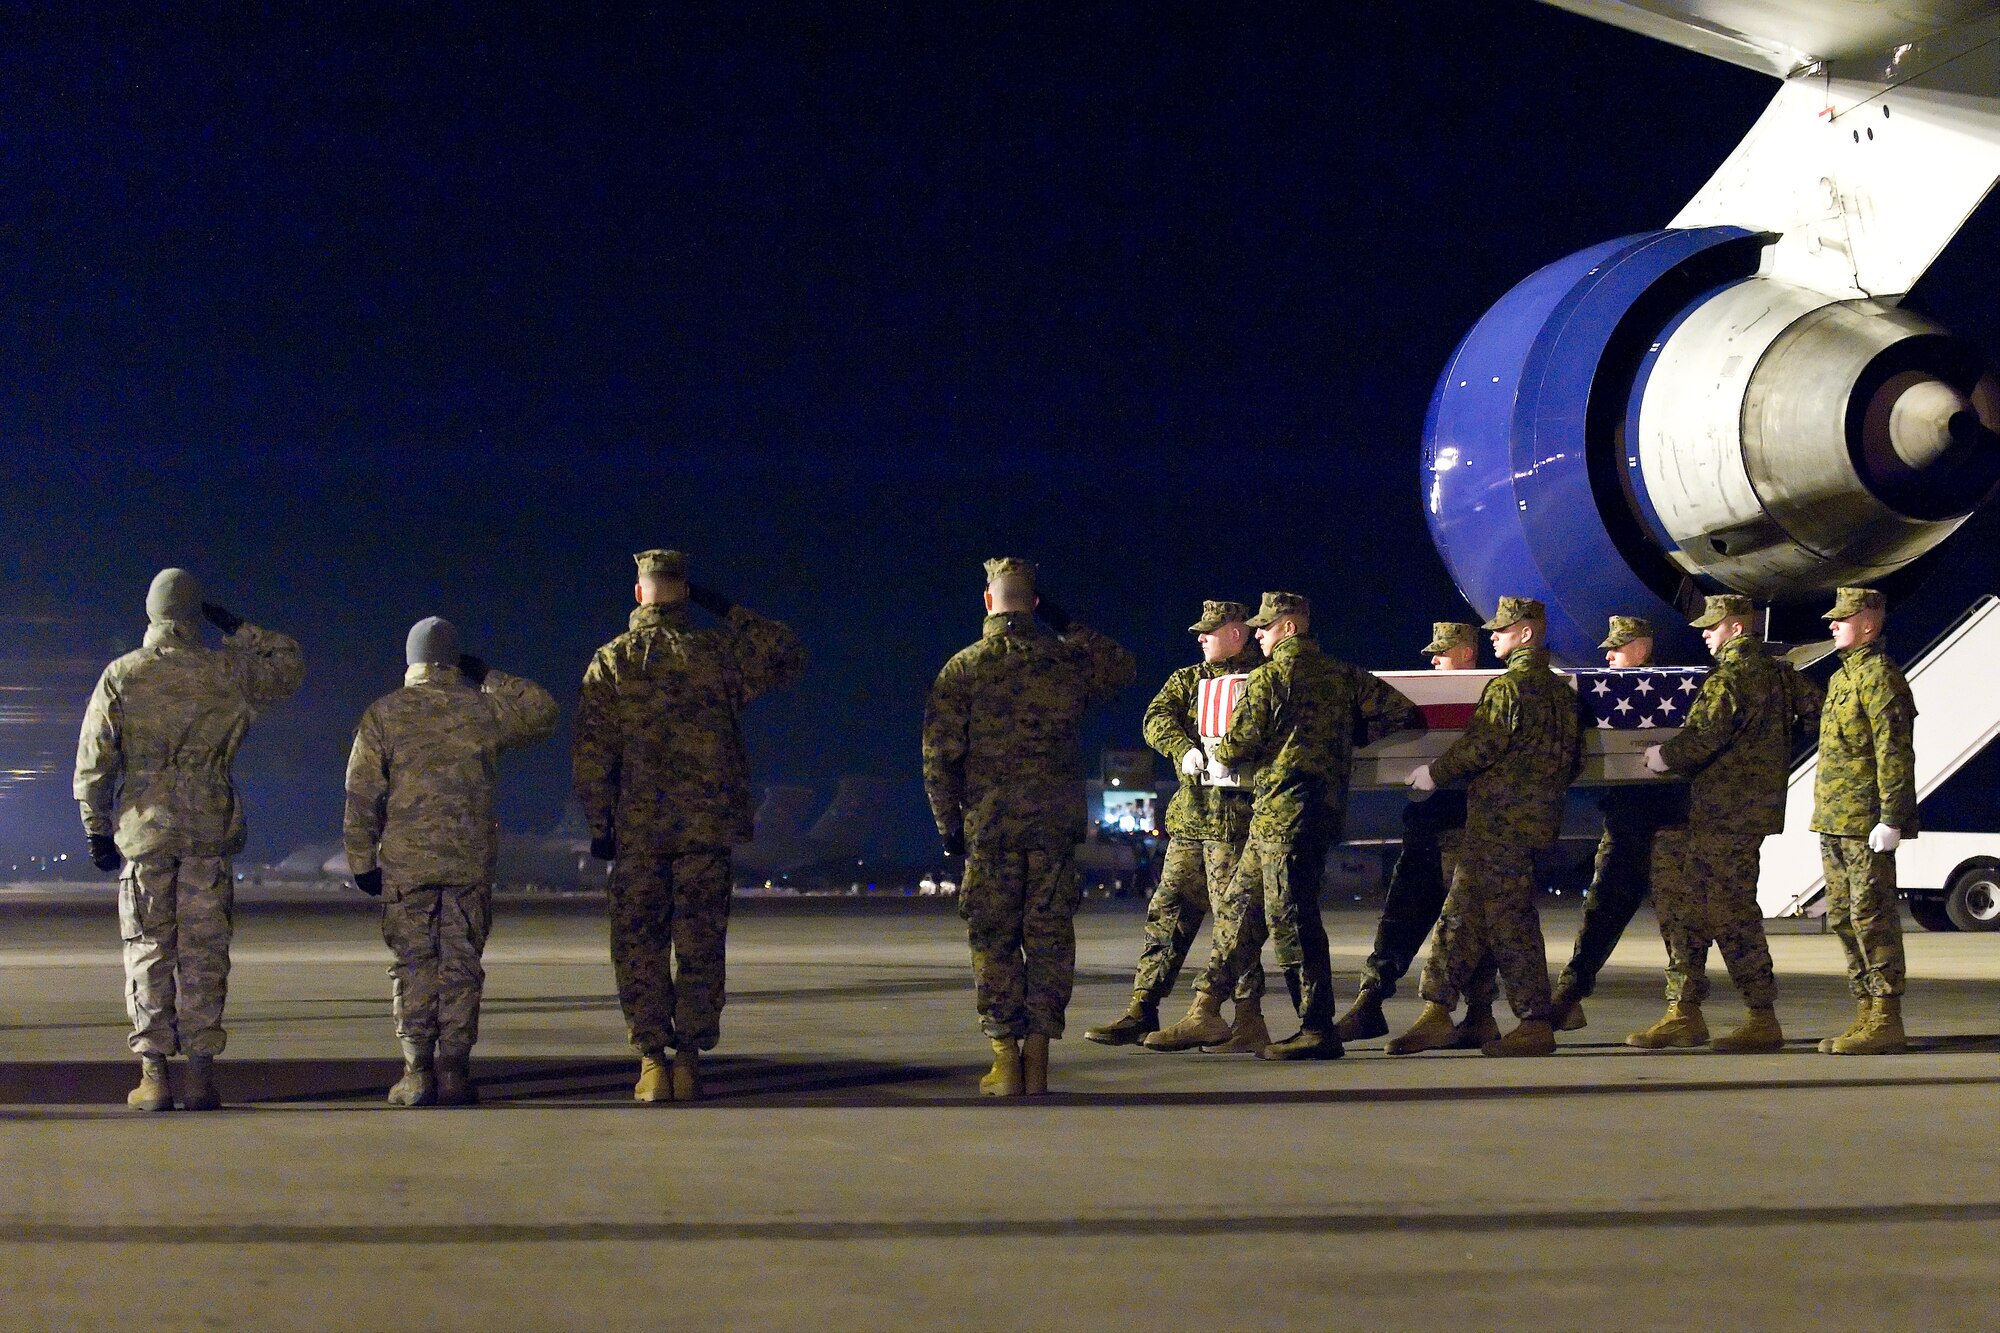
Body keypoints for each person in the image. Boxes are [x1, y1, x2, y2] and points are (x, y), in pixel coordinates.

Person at [573, 550, 806, 1102]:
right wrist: (721, 606)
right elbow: (787, 652)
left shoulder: (612, 661)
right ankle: (689, 1060)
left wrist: (600, 823)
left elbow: (591, 753)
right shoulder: (717, 656)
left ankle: (651, 1061)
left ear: (638, 595)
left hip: (638, 832)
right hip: (706, 831)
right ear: (683, 593)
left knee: (639, 946)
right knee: (701, 947)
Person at [1148, 592, 1423, 1060]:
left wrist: (1220, 748)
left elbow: (1235, 749)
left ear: (1289, 628)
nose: (1259, 634)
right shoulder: (1345, 676)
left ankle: (1316, 1028)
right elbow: (1405, 714)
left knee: (1292, 921)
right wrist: (1344, 738)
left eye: (1266, 627)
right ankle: (1206, 1008)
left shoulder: (1269, 679)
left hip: (1280, 816)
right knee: (1236, 911)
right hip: (1311, 813)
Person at [73, 568, 304, 1111]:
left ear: (151, 612)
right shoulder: (229, 672)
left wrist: (97, 829)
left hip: (145, 830)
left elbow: (94, 761)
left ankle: (154, 1077)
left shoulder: (123, 674)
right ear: (196, 613)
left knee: (149, 951)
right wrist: (238, 628)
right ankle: (200, 1076)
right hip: (207, 830)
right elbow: (289, 666)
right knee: (204, 954)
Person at [922, 558, 1136, 1095]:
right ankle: (1038, 1056)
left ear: (988, 601)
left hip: (990, 829)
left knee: (993, 940)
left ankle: (1005, 1059)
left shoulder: (963, 667)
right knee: (1049, 938)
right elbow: (1120, 666)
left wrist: (949, 823)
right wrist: (1063, 623)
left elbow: (939, 756)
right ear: (1036, 604)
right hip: (1053, 829)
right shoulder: (1064, 663)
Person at [344, 617, 559, 1106]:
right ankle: (457, 1071)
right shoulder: (482, 710)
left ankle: (418, 1072)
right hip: (468, 862)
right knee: (462, 965)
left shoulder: (384, 714)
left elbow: (361, 793)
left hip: (407, 865)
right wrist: (486, 674)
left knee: (414, 964)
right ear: (455, 660)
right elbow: (542, 711)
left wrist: (361, 859)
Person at [1391, 595, 1580, 1057]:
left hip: (1498, 824)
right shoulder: (1562, 694)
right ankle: (1437, 1011)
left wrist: (1434, 773)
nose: (1493, 635)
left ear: (1527, 633)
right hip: (1532, 822)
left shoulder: (1508, 689)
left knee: (1509, 923)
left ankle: (1534, 1021)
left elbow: (1480, 746)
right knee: (1461, 916)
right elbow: (1572, 763)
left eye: (1502, 629)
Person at [1632, 596, 1821, 1052]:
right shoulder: (1784, 675)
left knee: (1728, 912)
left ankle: (1758, 1017)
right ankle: (1688, 1013)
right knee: (1702, 909)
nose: (1705, 634)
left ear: (1736, 629)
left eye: (1713, 627)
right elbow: (1819, 713)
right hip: (1753, 811)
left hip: (1721, 812)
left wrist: (1664, 757)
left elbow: (1704, 737)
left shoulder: (1730, 679)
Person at [1086, 600, 1275, 1052]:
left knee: (1236, 923)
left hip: (1237, 824)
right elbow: (1155, 719)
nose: (1200, 637)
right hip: (1192, 820)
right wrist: (1181, 746)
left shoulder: (1264, 680)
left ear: (1238, 633)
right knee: (1167, 914)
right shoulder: (1189, 680)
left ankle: (1247, 1017)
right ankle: (1142, 1008)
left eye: (1210, 631)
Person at [1334, 621, 1498, 1048]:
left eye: (1443, 651)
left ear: (1466, 653)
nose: (1435, 659)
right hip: (1425, 825)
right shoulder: (1428, 704)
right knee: (1398, 919)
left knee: (1464, 927)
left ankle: (1475, 1014)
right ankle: (1371, 1002)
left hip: (1465, 828)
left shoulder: (1492, 700)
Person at [1546, 615, 1690, 1031]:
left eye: (1618, 647)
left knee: (1676, 920)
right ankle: (1570, 994)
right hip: (1626, 819)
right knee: (1602, 907)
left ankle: (1684, 1009)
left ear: (1642, 649)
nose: (1608, 655)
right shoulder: (1607, 697)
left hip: (1667, 823)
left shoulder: (1671, 694)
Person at [1811, 586, 1918, 1055]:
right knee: (1841, 918)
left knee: (1871, 917)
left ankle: (1886, 1016)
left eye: (1843, 618)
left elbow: (1894, 752)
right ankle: (1864, 1010)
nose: (1832, 624)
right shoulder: (1841, 679)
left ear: (1869, 624)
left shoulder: (1880, 677)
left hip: (1865, 822)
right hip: (1835, 820)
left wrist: (1892, 817)